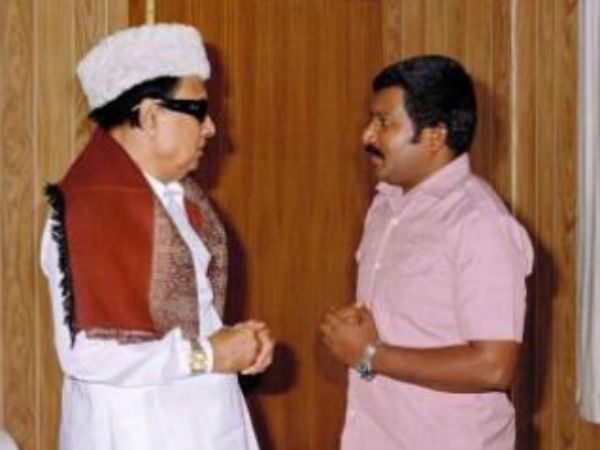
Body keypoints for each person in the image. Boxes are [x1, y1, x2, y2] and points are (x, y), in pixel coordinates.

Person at [41, 23, 274, 450]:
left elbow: (188, 325)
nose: (211, 128)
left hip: (206, 424)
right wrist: (209, 354)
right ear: (150, 116)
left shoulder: (181, 200)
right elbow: (87, 354)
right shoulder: (89, 210)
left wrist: (238, 344)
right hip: (137, 432)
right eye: (198, 110)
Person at [320, 55, 533, 450]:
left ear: (435, 136)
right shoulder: (385, 206)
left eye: (384, 122)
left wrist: (369, 354)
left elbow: (494, 366)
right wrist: (364, 340)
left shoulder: (480, 223)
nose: (367, 135)